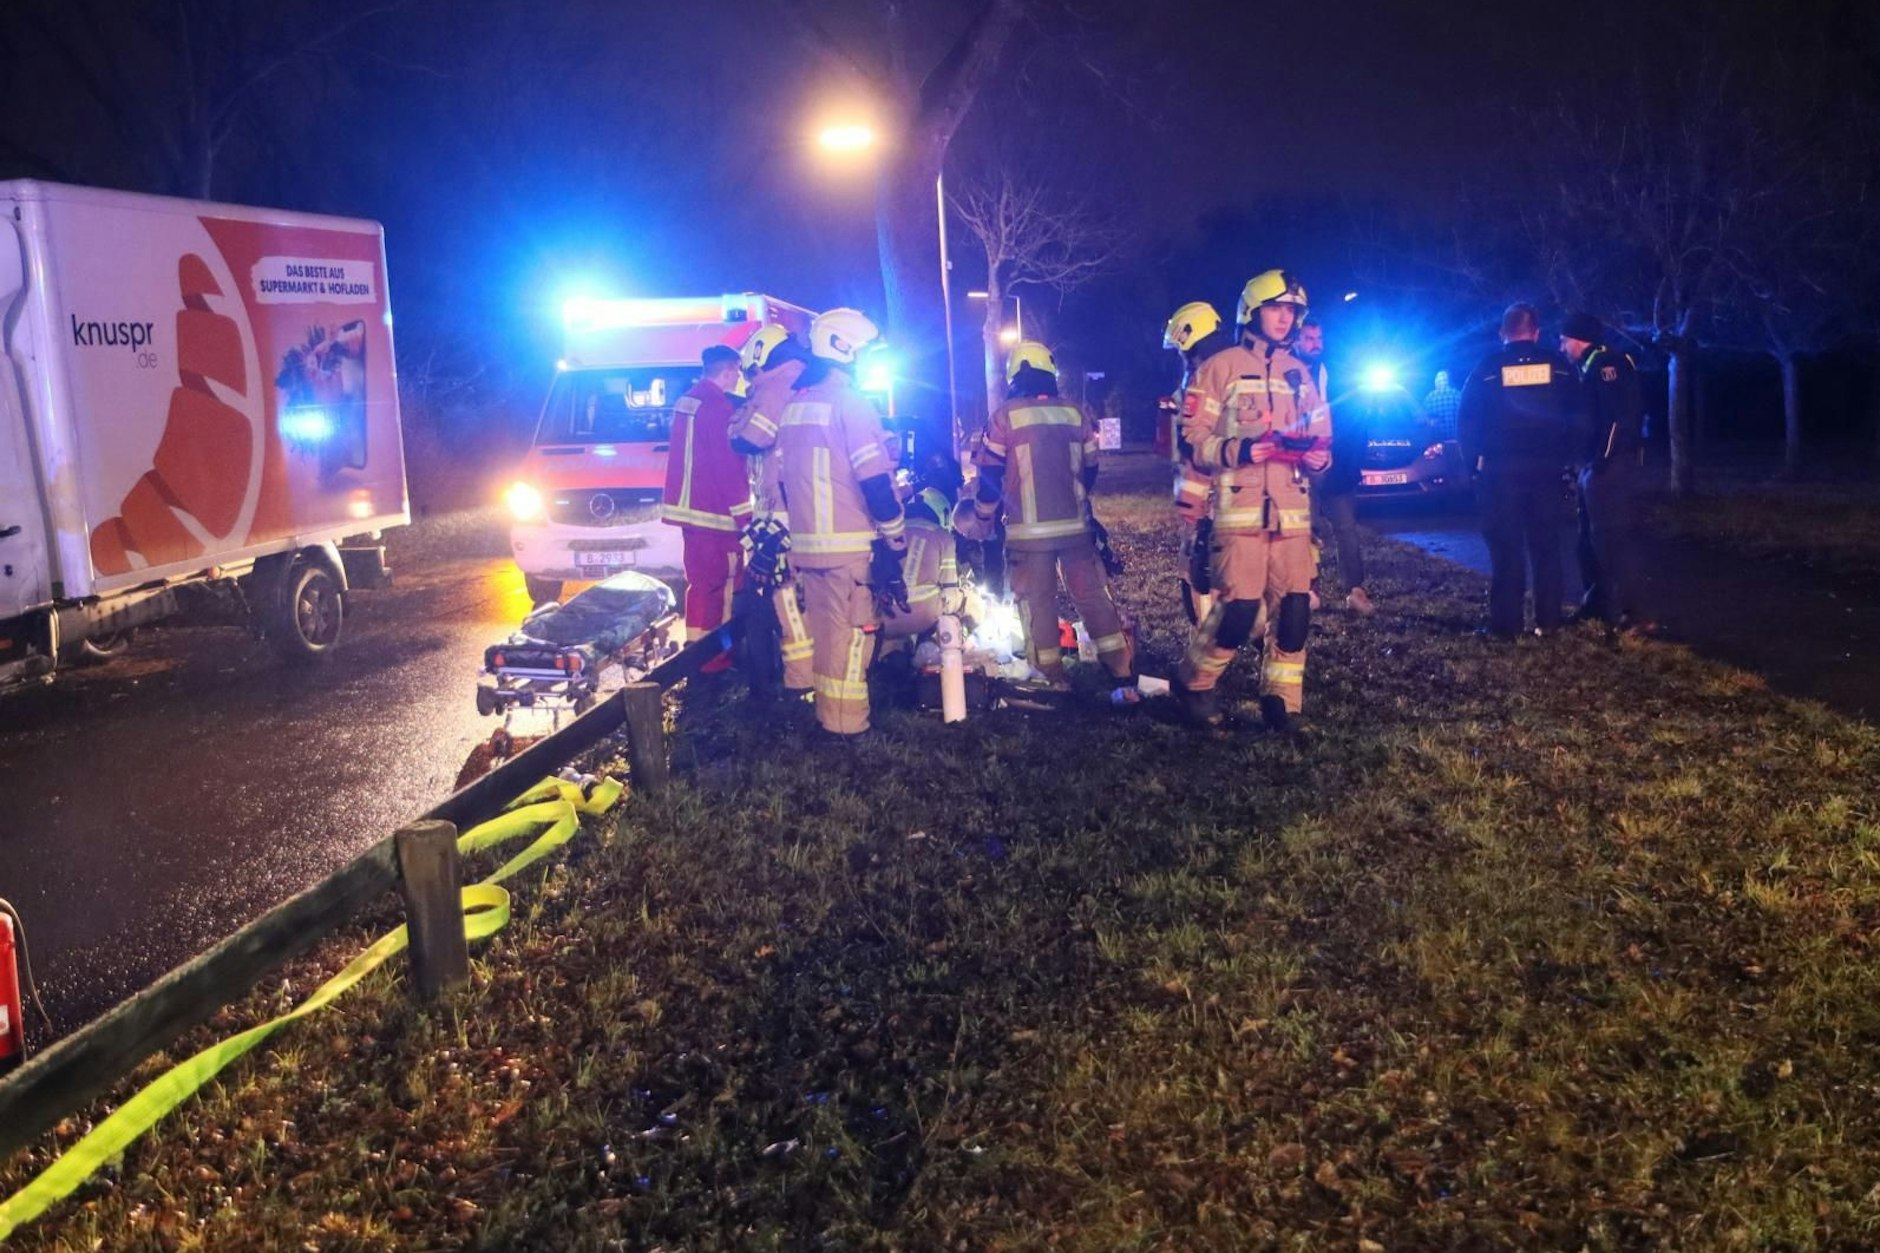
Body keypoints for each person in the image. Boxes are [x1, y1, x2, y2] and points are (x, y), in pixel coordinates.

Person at [1175, 269, 1331, 733]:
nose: (1284, 319)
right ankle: (1194, 683)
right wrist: (1238, 450)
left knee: (1295, 612)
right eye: (1276, 309)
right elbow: (1192, 440)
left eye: (1291, 312)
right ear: (1252, 311)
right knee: (1239, 611)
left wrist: (1320, 458)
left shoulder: (1300, 373)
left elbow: (1322, 436)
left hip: (1293, 515)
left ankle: (1283, 701)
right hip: (1238, 514)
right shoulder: (1217, 369)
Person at [752, 308, 907, 739]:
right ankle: (849, 730)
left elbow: (781, 480)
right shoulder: (850, 405)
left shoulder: (795, 406)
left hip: (808, 548)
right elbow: (875, 482)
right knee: (854, 639)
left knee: (825, 636)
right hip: (851, 549)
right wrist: (896, 540)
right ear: (845, 348)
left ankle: (827, 720)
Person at [970, 339, 1138, 702]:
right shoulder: (1076, 413)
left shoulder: (1005, 416)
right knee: (1093, 596)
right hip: (1076, 528)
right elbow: (1091, 469)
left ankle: (1050, 676)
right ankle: (1121, 669)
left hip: (1027, 536)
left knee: (1037, 602)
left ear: (1014, 376)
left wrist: (984, 517)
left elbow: (989, 474)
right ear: (1050, 373)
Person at [1457, 303, 1583, 639]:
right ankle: (1549, 622)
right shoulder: (1559, 368)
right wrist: (1569, 460)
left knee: (1506, 549)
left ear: (1503, 334)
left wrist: (1473, 468)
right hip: (1548, 472)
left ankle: (1506, 626)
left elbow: (1466, 422)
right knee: (1547, 548)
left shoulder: (1487, 368)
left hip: (1501, 475)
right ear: (1537, 332)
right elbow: (1578, 416)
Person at [728, 324, 815, 695]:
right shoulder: (796, 384)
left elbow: (747, 438)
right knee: (793, 605)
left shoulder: (776, 389)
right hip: (791, 511)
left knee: (787, 606)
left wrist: (739, 416)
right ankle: (794, 683)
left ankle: (797, 688)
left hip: (780, 517)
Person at [1559, 310, 1654, 634]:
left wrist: (1600, 461)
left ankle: (1636, 614)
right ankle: (1597, 604)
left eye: (1563, 341)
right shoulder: (1590, 368)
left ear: (1577, 339)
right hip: (1595, 467)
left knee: (1614, 540)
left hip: (1610, 469)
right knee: (1589, 540)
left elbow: (1618, 421)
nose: (1560, 348)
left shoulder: (1608, 366)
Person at [662, 344, 753, 671]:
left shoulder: (688, 400)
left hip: (691, 513)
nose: (739, 378)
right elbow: (728, 465)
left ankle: (697, 655)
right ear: (729, 369)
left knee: (700, 586)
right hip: (716, 514)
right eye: (738, 371)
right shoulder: (717, 407)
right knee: (725, 584)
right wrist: (746, 516)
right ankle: (716, 659)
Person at [1295, 318, 1374, 616]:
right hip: (1300, 467)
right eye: (1309, 338)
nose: (1315, 343)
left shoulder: (1336, 374)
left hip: (1336, 466)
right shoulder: (1287, 373)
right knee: (1306, 529)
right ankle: (1310, 588)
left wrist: (1346, 460)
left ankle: (1355, 590)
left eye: (1319, 338)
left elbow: (1354, 419)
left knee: (1346, 529)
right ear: (1297, 340)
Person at [1163, 301, 1231, 624]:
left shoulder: (1203, 378)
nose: (1180, 356)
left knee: (1196, 570)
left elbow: (1193, 446)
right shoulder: (1239, 368)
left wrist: (1193, 510)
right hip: (1248, 498)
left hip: (1209, 498)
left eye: (1180, 348)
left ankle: (1205, 647)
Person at [1423, 369, 1463, 441]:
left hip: (1437, 440)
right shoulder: (1457, 395)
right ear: (1448, 381)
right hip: (1455, 438)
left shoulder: (1429, 397)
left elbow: (1425, 419)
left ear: (1436, 382)